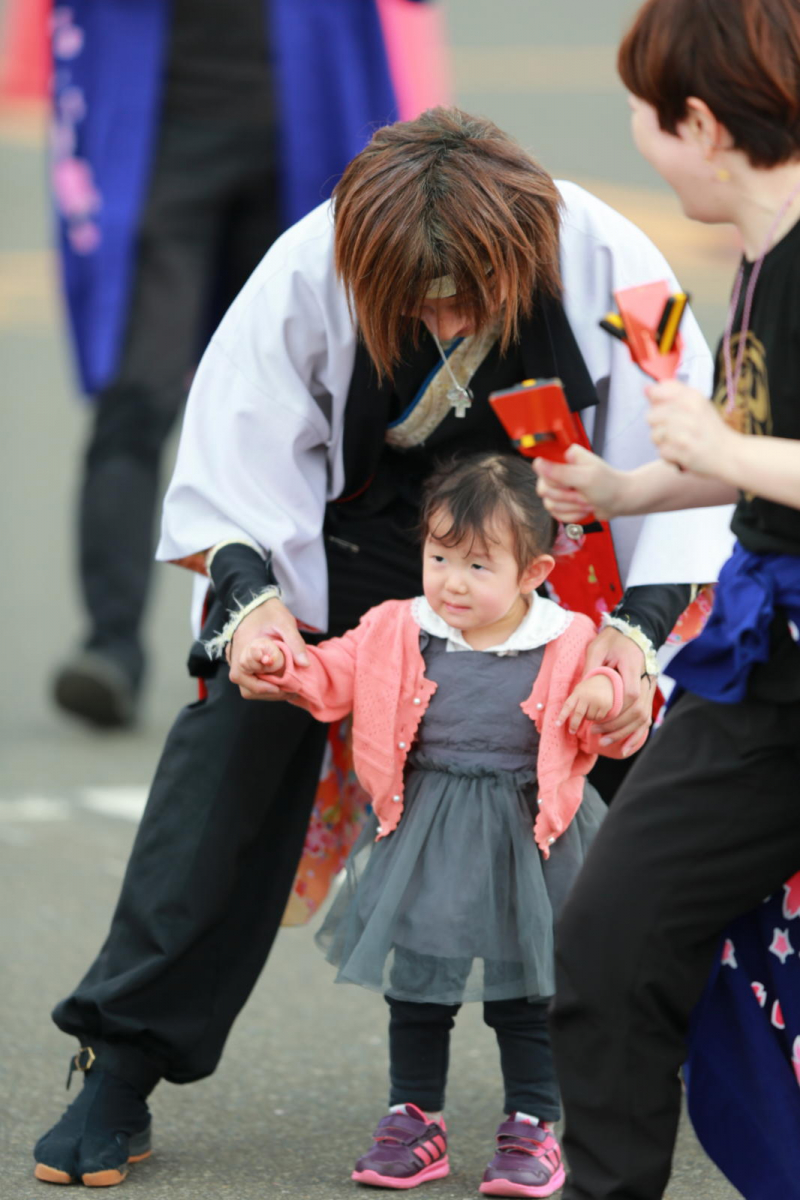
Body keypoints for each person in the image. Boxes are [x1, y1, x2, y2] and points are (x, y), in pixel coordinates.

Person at [32, 108, 733, 1189]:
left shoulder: (613, 263)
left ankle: (708, 1050)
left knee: (676, 763)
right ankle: (122, 1056)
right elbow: (234, 469)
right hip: (365, 552)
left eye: (464, 292)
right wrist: (254, 612)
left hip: (565, 549)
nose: (441, 312)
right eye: (416, 296)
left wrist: (633, 650)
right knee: (234, 730)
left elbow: (683, 465)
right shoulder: (309, 263)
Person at [532, 2, 800, 1196]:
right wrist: (628, 480)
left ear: (698, 121)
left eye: (644, 114)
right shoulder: (755, 252)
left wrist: (723, 450)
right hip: (761, 659)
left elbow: (753, 451)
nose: (635, 136)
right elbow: (754, 443)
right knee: (610, 939)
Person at [47, 0, 440, 726]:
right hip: (153, 131)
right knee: (138, 394)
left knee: (328, 388)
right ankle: (111, 647)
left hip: (312, 120)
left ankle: (315, 635)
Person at [248, 451, 625, 1195]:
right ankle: (413, 1117)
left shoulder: (569, 638)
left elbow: (620, 721)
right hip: (428, 829)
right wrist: (285, 664)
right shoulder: (395, 627)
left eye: (478, 566)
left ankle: (531, 1125)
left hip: (532, 833)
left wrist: (607, 696)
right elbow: (332, 674)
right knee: (418, 986)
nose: (452, 580)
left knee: (529, 990)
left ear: (534, 573)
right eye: (439, 555)